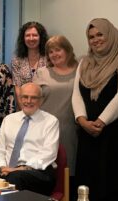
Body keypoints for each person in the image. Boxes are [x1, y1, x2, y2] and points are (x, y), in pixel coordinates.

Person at [72, 18, 118, 201]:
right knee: (86, 187)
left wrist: (100, 122)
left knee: (112, 186)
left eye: (100, 34)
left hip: (114, 134)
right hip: (88, 132)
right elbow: (76, 94)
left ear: (110, 33)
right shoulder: (85, 61)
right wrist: (82, 120)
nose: (95, 40)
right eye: (91, 36)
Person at [0, 83, 59, 196]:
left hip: (39, 174)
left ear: (41, 100)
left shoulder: (51, 121)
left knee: (14, 178)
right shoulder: (9, 119)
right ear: (19, 98)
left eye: (33, 97)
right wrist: (3, 167)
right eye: (25, 97)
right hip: (8, 173)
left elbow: (48, 154)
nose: (28, 101)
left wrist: (21, 169)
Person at [32, 35, 78, 177]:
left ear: (67, 50)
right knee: (43, 171)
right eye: (50, 52)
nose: (54, 54)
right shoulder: (41, 73)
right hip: (42, 130)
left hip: (69, 130)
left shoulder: (80, 72)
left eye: (58, 50)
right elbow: (31, 100)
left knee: (67, 172)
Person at [11, 22, 49, 91]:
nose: (31, 38)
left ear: (41, 38)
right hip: (23, 101)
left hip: (46, 100)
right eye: (28, 35)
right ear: (23, 38)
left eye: (34, 35)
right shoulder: (17, 60)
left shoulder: (49, 59)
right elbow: (17, 89)